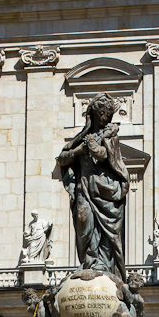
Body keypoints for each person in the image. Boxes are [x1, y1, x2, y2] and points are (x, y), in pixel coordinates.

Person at [57, 93, 129, 280]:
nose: (104, 116)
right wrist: (79, 150)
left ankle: (103, 265)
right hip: (84, 185)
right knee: (83, 219)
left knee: (106, 234)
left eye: (108, 113)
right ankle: (88, 261)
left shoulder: (110, 137)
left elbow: (107, 156)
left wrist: (97, 147)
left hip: (105, 189)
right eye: (101, 112)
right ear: (93, 114)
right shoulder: (82, 138)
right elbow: (62, 159)